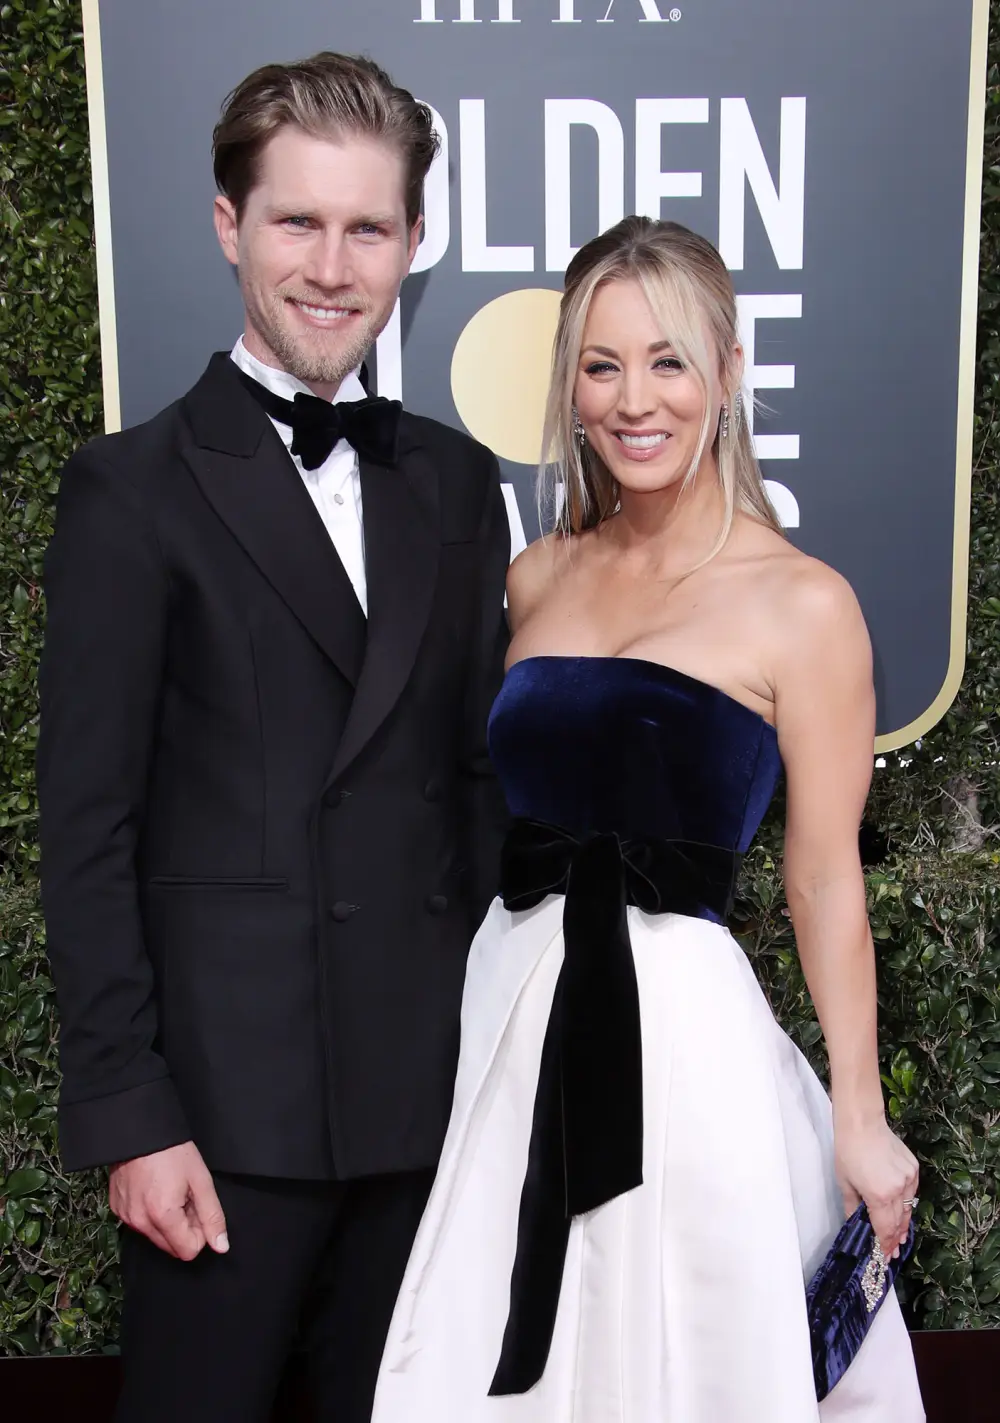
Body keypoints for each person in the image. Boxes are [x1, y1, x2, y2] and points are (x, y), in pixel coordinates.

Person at [371, 216, 925, 1421]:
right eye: (602, 363)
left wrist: (861, 1117)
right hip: (512, 1010)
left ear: (727, 372)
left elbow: (823, 878)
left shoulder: (804, 604)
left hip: (684, 1040)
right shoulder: (536, 576)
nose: (635, 399)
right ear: (568, 384)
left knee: (686, 1352)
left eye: (668, 361)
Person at [37, 51, 509, 1423]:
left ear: (413, 245)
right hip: (222, 1130)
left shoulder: (458, 481)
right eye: (298, 220)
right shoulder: (132, 491)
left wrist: (498, 1069)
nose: (332, 263)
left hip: (425, 1110)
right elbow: (89, 826)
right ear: (229, 223)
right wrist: (131, 1109)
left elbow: (474, 788)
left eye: (369, 227)